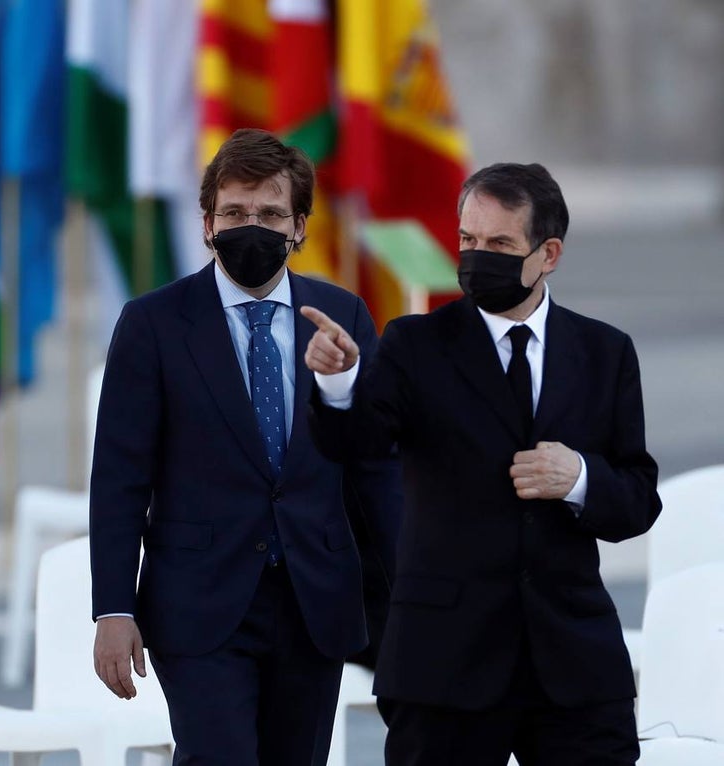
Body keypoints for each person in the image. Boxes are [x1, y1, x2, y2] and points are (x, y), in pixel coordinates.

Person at [304, 162, 661, 766]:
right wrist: (338, 384)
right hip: (443, 664)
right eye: (468, 240)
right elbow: (358, 444)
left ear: (548, 253)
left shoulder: (605, 352)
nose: (477, 256)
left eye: (499, 244)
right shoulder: (415, 344)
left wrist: (578, 478)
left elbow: (637, 499)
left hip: (573, 665)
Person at [90, 128, 401, 765]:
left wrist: (413, 589)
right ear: (207, 224)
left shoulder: (342, 316)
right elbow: (119, 479)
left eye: (269, 214)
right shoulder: (153, 324)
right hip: (199, 604)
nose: (249, 226)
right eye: (233, 212)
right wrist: (113, 609)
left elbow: (376, 468)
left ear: (301, 228)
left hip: (314, 602)